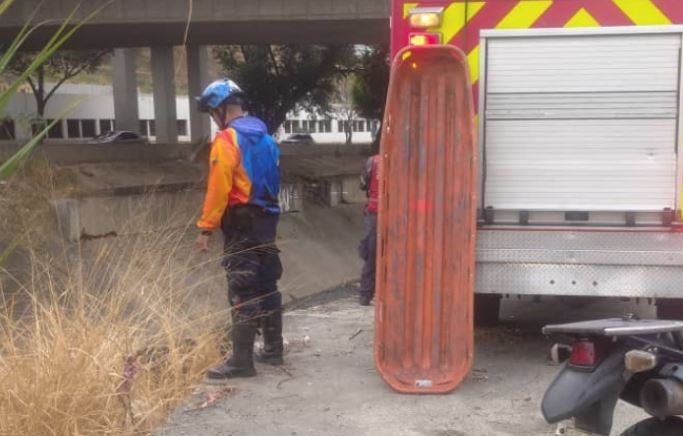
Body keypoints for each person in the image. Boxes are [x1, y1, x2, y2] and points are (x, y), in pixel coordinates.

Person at [195, 78, 284, 379]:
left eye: (211, 112)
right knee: (268, 285)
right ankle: (273, 350)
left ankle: (242, 362)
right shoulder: (267, 139)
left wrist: (206, 227)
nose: (213, 119)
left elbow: (218, 188)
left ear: (220, 109)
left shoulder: (227, 140)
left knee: (242, 290)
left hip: (241, 224)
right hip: (267, 222)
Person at [358, 134, 380, 306]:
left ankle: (365, 295)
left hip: (375, 213)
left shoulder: (373, 162)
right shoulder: (404, 163)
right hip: (398, 215)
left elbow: (363, 184)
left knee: (370, 253)